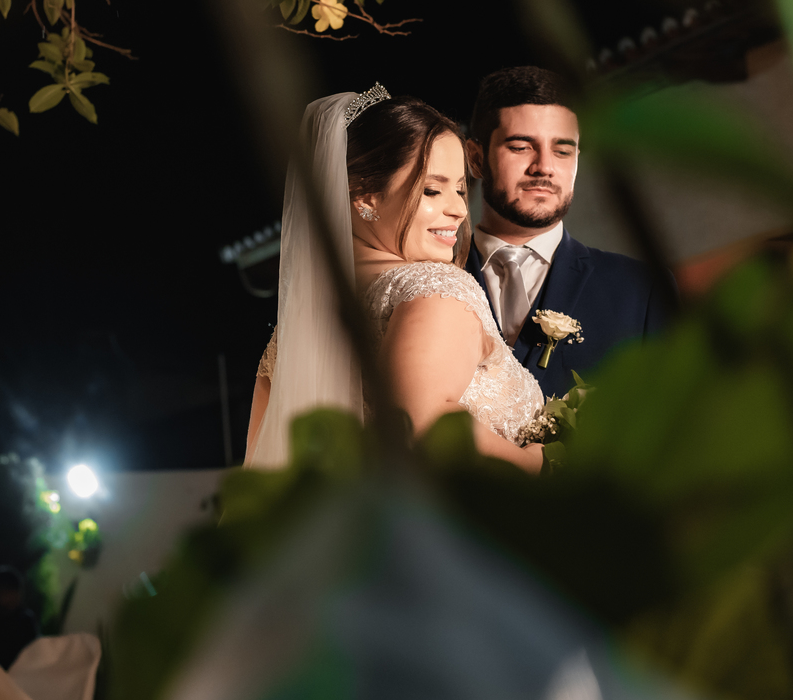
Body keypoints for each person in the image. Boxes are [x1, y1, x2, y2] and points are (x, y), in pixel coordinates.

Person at [246, 87, 546, 474]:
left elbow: (260, 471)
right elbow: (422, 423)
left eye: (459, 188)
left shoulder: (292, 333)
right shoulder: (436, 289)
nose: (458, 209)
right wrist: (534, 465)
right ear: (365, 195)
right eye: (432, 190)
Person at [466, 66, 672, 398]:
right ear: (476, 159)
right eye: (520, 147)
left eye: (562, 150)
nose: (544, 166)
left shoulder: (642, 290)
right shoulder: (428, 279)